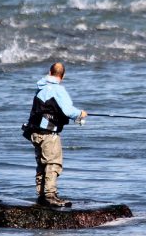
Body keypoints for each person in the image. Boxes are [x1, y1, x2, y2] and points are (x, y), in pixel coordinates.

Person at [26, 62, 87, 207]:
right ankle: (50, 195)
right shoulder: (58, 90)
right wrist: (81, 114)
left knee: (42, 164)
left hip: (35, 132)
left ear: (49, 72)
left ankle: (41, 195)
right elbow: (68, 111)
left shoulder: (40, 88)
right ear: (63, 75)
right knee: (53, 163)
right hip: (49, 134)